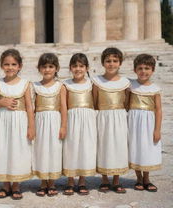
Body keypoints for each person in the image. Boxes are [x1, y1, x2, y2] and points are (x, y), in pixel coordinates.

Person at [0, 49, 35, 200]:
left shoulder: (25, 84)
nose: (10, 67)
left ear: (20, 66)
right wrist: (1, 102)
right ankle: (5, 184)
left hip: (20, 122)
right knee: (3, 150)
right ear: (1, 66)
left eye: (13, 64)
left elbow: (29, 106)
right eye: (6, 64)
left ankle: (16, 184)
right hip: (2, 122)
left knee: (18, 150)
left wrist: (31, 127)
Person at [92, 47, 130, 194]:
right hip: (103, 117)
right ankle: (104, 179)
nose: (111, 64)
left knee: (118, 147)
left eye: (115, 61)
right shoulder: (97, 82)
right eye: (108, 61)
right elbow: (94, 102)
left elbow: (126, 103)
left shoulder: (126, 82)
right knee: (104, 146)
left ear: (120, 63)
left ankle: (116, 179)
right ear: (103, 63)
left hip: (119, 118)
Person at [32, 53, 67, 197]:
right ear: (39, 68)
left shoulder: (61, 86)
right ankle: (42, 181)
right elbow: (32, 107)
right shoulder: (34, 86)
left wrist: (63, 126)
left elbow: (64, 107)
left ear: (56, 68)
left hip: (55, 120)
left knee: (54, 149)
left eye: (51, 67)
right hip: (40, 121)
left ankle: (52, 182)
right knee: (41, 149)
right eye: (44, 66)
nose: (47, 70)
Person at [63, 53, 97, 196]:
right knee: (71, 148)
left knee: (85, 147)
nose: (78, 69)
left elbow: (95, 102)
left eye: (81, 66)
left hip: (87, 119)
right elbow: (64, 105)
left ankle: (82, 180)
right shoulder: (65, 84)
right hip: (72, 119)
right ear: (70, 68)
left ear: (87, 68)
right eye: (75, 66)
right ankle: (70, 180)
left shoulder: (92, 84)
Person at [128, 54, 162, 192]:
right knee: (135, 147)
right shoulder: (130, 85)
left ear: (153, 70)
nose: (143, 71)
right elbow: (126, 104)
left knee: (147, 149)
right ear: (135, 70)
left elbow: (159, 110)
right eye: (140, 68)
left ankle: (146, 178)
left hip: (148, 122)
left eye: (147, 68)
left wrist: (157, 130)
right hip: (133, 121)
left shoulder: (155, 89)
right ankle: (138, 178)